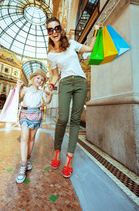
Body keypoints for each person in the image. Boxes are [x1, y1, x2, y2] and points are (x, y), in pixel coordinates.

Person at [46, 17, 100, 178]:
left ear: (61, 29)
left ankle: (69, 159)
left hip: (81, 82)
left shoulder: (72, 44)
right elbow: (55, 76)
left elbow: (90, 48)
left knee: (75, 120)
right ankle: (57, 152)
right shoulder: (51, 55)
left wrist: (96, 30)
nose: (54, 32)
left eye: (56, 28)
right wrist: (49, 87)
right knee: (62, 118)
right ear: (48, 33)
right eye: (50, 30)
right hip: (65, 84)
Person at [16, 69, 52, 184]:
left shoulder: (42, 92)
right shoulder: (25, 89)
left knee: (31, 139)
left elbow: (47, 102)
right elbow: (17, 98)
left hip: (36, 114)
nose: (40, 81)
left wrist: (49, 94)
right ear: (32, 79)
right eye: (38, 78)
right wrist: (18, 87)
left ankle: (27, 159)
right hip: (25, 114)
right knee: (25, 138)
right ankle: (23, 166)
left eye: (42, 80)